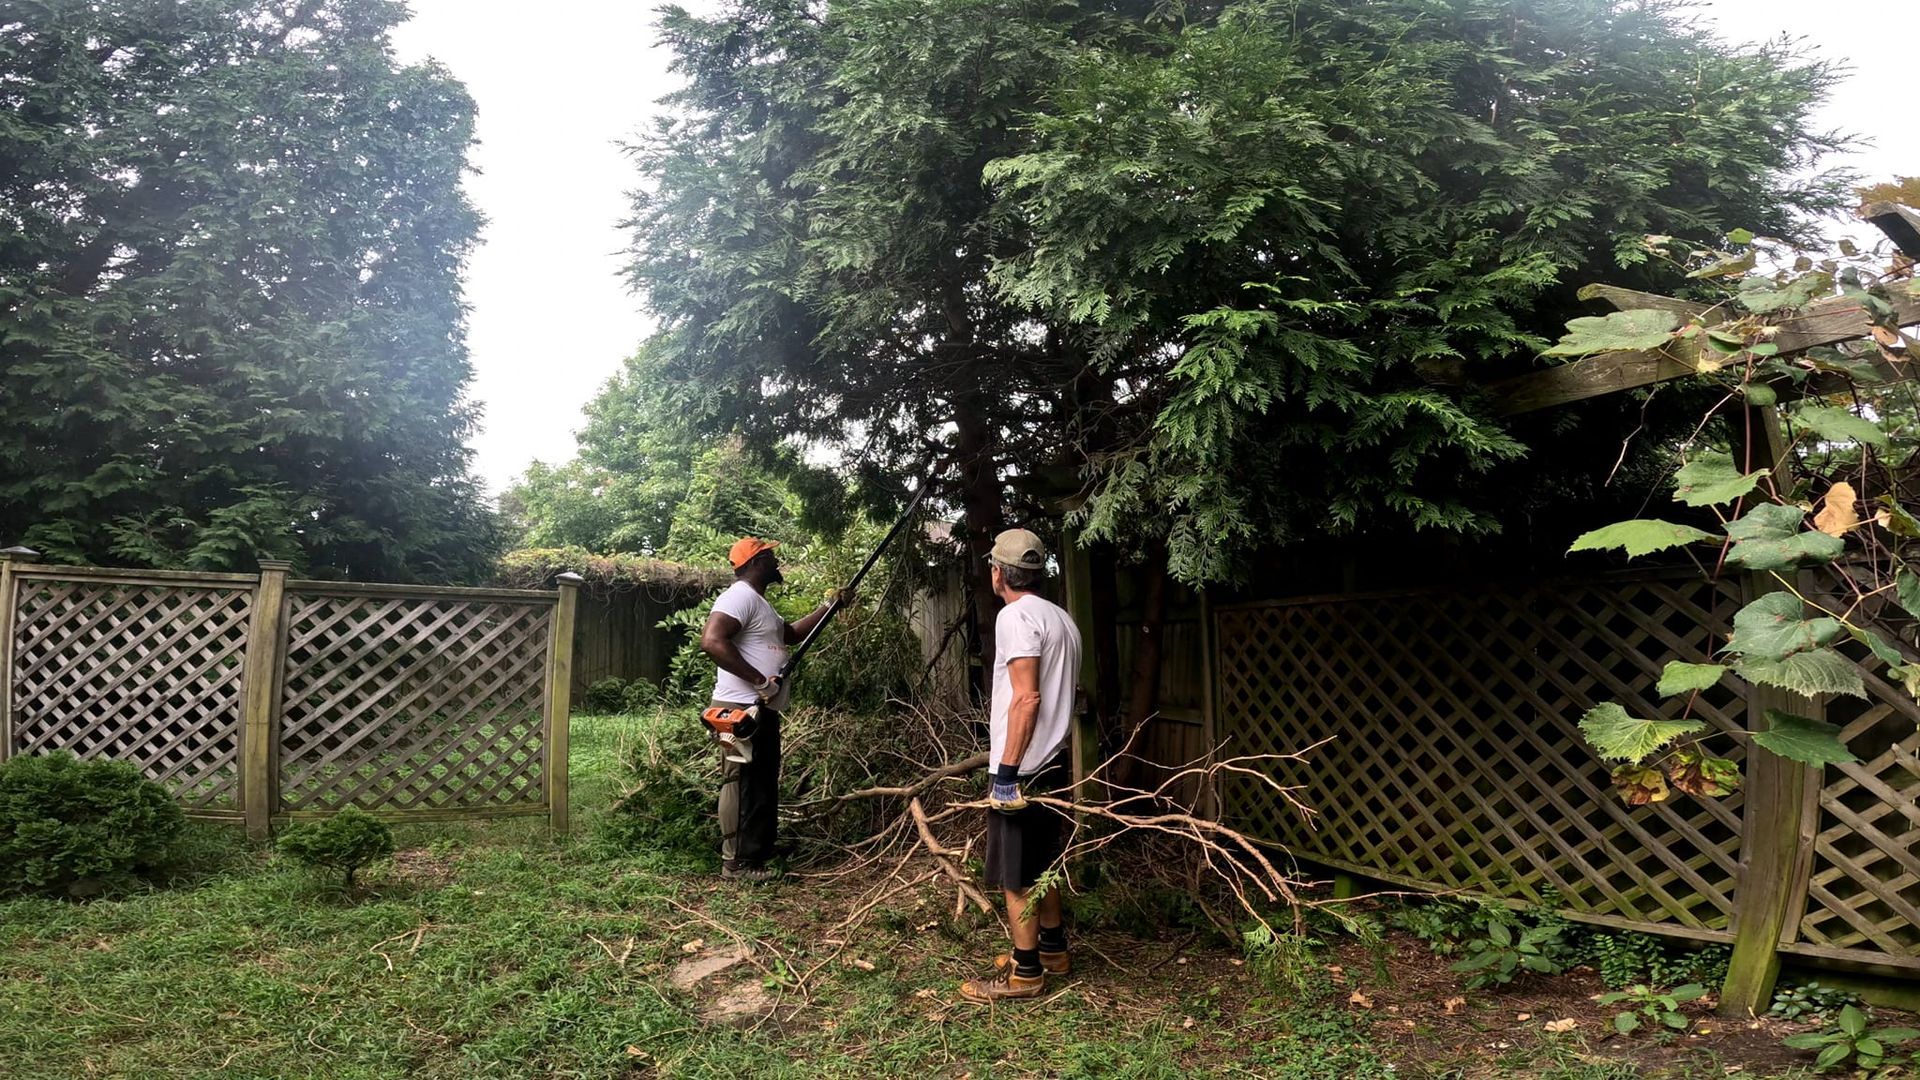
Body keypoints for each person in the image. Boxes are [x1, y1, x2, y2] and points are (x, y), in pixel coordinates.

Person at [959, 528, 1083, 1003]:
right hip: (1054, 760)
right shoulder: (1061, 618)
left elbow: (1027, 698)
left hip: (1024, 768)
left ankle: (1025, 972)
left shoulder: (1014, 616)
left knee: (1016, 875)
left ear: (998, 573)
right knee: (1043, 863)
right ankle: (1053, 949)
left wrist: (1007, 775)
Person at [699, 537, 846, 881]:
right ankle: (735, 863)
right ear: (755, 562)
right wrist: (760, 681)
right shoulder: (738, 597)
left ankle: (757, 852)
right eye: (769, 556)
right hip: (739, 708)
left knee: (762, 781)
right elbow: (712, 641)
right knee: (739, 782)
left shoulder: (759, 603)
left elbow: (791, 634)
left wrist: (829, 606)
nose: (776, 561)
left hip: (760, 708)